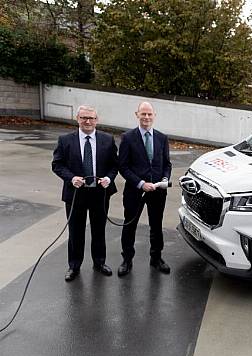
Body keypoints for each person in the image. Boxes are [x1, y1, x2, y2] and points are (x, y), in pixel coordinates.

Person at [51, 105, 119, 281]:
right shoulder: (65, 140)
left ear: (97, 120)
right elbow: (57, 165)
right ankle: (74, 266)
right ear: (77, 119)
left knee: (99, 230)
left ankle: (99, 262)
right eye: (84, 118)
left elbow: (114, 165)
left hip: (99, 194)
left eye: (91, 118)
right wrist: (71, 178)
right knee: (75, 232)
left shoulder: (107, 139)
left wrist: (109, 179)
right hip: (75, 194)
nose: (88, 121)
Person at [117, 102, 172, 277]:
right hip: (135, 190)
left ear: (154, 115)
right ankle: (127, 259)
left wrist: (164, 179)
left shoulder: (162, 138)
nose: (146, 117)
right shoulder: (127, 137)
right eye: (143, 114)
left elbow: (167, 164)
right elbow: (123, 167)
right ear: (137, 115)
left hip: (158, 191)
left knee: (156, 225)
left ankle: (156, 258)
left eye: (149, 114)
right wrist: (140, 183)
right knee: (129, 225)